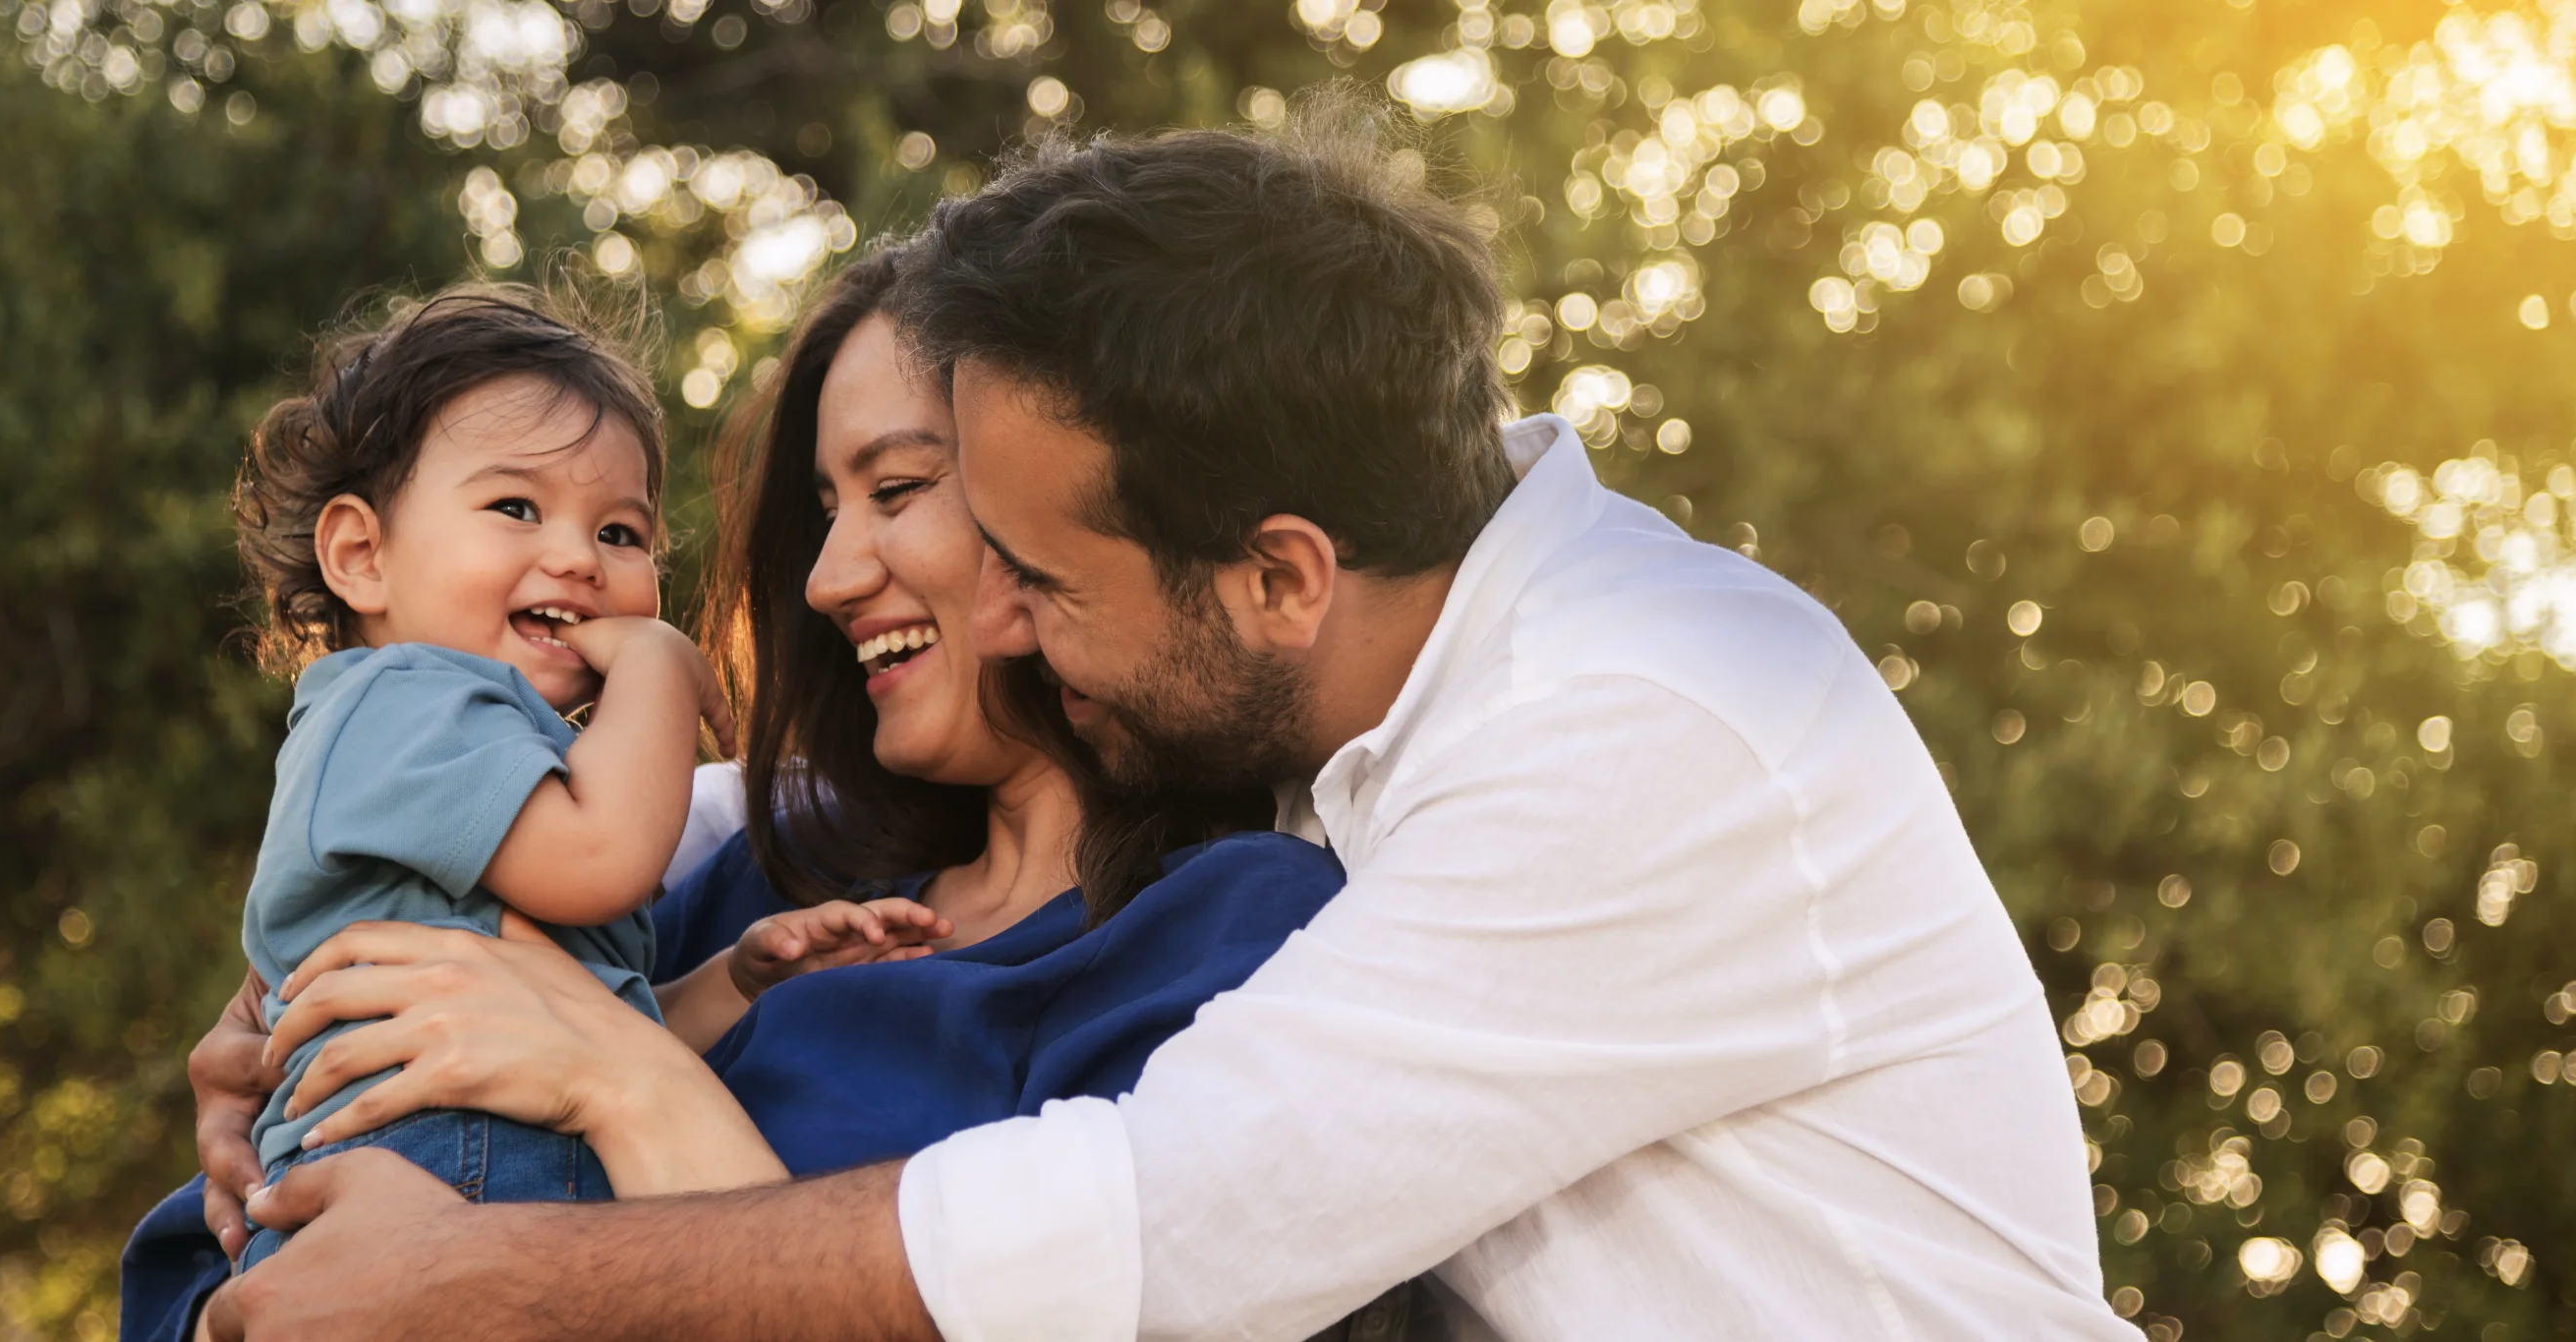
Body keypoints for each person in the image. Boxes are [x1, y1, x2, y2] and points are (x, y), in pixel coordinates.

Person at [196, 106, 2134, 1342]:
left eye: (1033, 571)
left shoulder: (1642, 723)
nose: (1006, 625)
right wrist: (352, 968)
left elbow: (1158, 1228)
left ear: (1276, 575)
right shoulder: (1374, 666)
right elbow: (714, 815)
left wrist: (495, 1268)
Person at [121, 253, 1345, 1341]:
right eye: (823, 509)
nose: (824, 579)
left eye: (900, 489)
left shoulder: (1229, 934)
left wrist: (620, 1088)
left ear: (1067, 508)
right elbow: (208, 1280)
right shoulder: (775, 866)